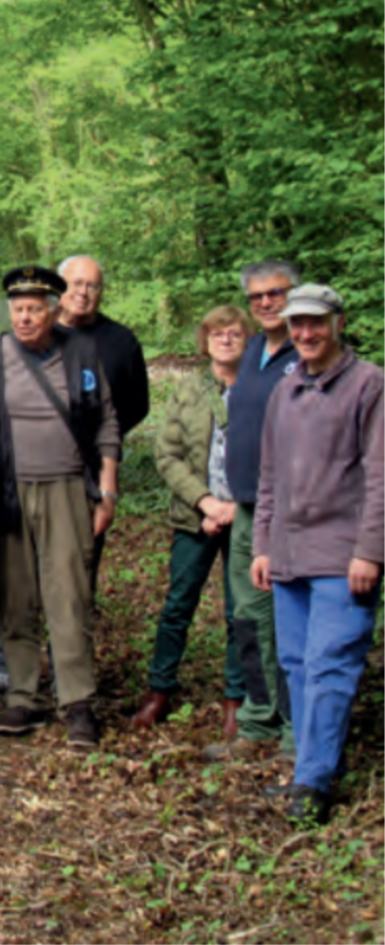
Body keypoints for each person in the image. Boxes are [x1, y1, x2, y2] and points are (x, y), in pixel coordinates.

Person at [0, 266, 119, 748]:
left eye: (35, 308)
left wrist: (108, 491)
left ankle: (78, 702)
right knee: (13, 597)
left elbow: (107, 423)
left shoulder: (81, 355)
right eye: (18, 309)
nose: (26, 317)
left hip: (67, 488)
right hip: (8, 491)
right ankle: (22, 696)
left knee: (69, 596)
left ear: (54, 310)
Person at [252, 284, 382, 826]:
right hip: (288, 552)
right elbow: (269, 475)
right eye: (297, 324)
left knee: (332, 664)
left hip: (342, 555)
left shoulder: (369, 385)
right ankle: (310, 768)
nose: (306, 333)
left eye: (316, 323)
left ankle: (313, 782)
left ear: (337, 324)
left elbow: (380, 477)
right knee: (298, 666)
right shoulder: (285, 389)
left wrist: (370, 550)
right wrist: (261, 543)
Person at [136, 305, 253, 732]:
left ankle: (237, 698)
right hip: (195, 517)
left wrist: (237, 508)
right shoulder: (188, 390)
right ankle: (159, 690)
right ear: (204, 341)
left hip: (246, 515)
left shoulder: (263, 389)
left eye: (234, 333)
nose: (225, 339)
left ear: (249, 339)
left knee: (241, 610)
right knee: (177, 604)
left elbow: (276, 456)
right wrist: (205, 502)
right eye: (217, 333)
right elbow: (167, 454)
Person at [207, 259, 301, 760]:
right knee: (248, 617)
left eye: (276, 292)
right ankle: (258, 721)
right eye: (257, 296)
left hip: (290, 510)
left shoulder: (305, 354)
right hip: (245, 506)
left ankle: (294, 729)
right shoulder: (250, 355)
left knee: (289, 619)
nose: (266, 302)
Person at [56, 256, 151, 441]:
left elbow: (138, 404)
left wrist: (106, 437)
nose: (83, 292)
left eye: (92, 286)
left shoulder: (122, 341)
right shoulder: (35, 335)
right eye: (76, 283)